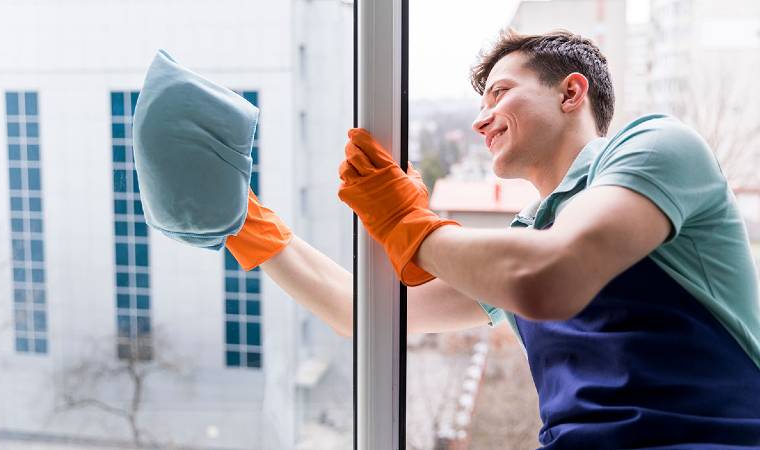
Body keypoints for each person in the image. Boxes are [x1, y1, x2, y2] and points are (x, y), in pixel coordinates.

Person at [226, 30, 760, 449]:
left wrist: (407, 224)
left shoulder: (658, 145)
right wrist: (246, 223)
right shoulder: (529, 236)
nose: (482, 120)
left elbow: (549, 276)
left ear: (571, 92)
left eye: (500, 93)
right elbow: (361, 313)